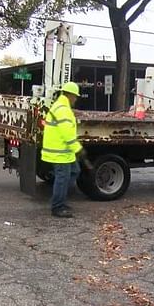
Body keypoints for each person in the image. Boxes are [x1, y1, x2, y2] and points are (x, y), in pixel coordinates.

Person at [42, 82, 85, 218]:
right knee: (63, 178)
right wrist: (78, 149)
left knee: (74, 171)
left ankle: (58, 198)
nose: (76, 99)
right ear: (70, 95)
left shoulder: (60, 106)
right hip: (60, 153)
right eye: (75, 97)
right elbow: (67, 134)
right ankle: (57, 206)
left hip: (63, 152)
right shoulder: (63, 110)